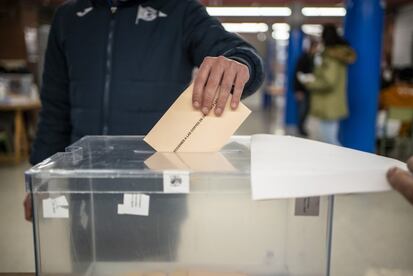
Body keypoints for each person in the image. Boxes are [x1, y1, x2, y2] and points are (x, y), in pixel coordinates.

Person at [24, 0, 264, 219]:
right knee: (87, 264)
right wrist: (39, 179)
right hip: (84, 185)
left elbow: (236, 51)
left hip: (158, 185)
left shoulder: (180, 11)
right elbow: (55, 110)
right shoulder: (69, 17)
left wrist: (240, 63)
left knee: (153, 267)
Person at [299, 24, 356, 145]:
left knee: (329, 140)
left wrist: (310, 83)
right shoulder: (335, 55)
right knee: (326, 138)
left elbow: (329, 81)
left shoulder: (331, 57)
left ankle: (339, 162)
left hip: (328, 104)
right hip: (329, 103)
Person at [294, 38, 318, 137]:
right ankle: (301, 129)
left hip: (309, 90)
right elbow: (297, 75)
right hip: (302, 90)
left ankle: (302, 128)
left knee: (306, 109)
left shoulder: (313, 59)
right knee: (302, 110)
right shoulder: (303, 58)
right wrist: (298, 90)